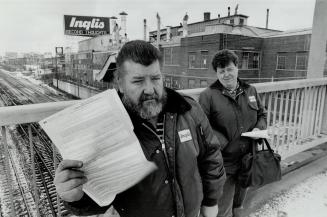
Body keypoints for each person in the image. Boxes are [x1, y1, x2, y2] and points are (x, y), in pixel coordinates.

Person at [54, 40, 226, 217]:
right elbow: (100, 198)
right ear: (120, 83)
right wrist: (77, 198)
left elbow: (211, 156)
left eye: (156, 78)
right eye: (138, 81)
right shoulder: (106, 128)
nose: (150, 89)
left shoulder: (188, 109)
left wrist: (211, 201)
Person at [199, 49, 267, 217]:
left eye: (229, 69)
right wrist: (224, 143)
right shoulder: (208, 96)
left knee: (240, 203)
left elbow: (262, 114)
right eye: (221, 71)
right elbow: (201, 127)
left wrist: (259, 127)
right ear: (217, 73)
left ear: (237, 68)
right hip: (224, 163)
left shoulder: (251, 91)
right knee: (223, 209)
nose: (226, 74)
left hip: (248, 159)